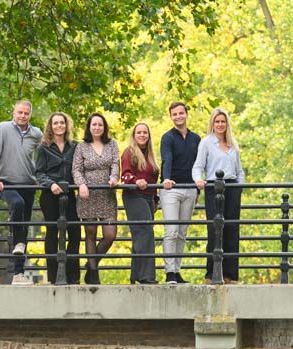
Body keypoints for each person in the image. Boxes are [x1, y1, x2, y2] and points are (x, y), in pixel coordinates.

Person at [0, 99, 43, 285]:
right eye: (20, 112)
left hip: (28, 184)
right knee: (16, 205)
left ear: (30, 115)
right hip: (5, 183)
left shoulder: (36, 134)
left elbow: (45, 155)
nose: (22, 116)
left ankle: (18, 274)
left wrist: (40, 178)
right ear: (14, 112)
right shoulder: (2, 128)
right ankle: (15, 232)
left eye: (26, 113)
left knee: (23, 227)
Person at [193, 107, 245, 283]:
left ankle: (231, 274)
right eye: (217, 121)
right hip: (214, 187)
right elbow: (198, 166)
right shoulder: (206, 143)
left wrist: (239, 186)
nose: (220, 124)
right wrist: (199, 180)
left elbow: (239, 170)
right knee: (215, 230)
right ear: (212, 124)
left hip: (232, 188)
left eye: (223, 121)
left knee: (232, 229)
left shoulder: (233, 144)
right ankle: (212, 274)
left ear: (227, 123)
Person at [72, 113, 120, 285]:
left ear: (104, 127)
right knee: (90, 233)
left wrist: (114, 177)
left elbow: (115, 163)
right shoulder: (82, 146)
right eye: (94, 125)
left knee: (110, 235)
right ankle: (93, 273)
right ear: (89, 127)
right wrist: (81, 184)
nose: (97, 127)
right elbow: (76, 169)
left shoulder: (112, 144)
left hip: (107, 194)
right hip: (87, 195)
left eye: (100, 125)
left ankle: (91, 263)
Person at [35, 112, 81, 284]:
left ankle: (72, 275)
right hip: (50, 196)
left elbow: (78, 169)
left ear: (66, 125)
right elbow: (39, 173)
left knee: (75, 232)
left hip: (70, 195)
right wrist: (50, 184)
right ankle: (54, 277)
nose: (59, 126)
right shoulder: (43, 148)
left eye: (62, 122)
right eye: (55, 123)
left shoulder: (74, 146)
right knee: (52, 234)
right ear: (50, 126)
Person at [159, 101, 201, 284]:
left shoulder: (196, 139)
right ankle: (169, 272)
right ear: (171, 117)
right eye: (174, 114)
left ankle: (177, 270)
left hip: (191, 189)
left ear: (186, 114)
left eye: (181, 113)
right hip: (171, 189)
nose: (178, 116)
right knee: (172, 231)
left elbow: (199, 164)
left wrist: (199, 185)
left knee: (182, 232)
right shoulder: (167, 138)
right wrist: (166, 179)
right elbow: (166, 159)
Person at [120, 123, 160, 284]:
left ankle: (135, 276)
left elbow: (153, 178)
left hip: (149, 198)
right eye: (139, 133)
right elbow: (125, 176)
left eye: (145, 133)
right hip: (134, 196)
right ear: (134, 135)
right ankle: (147, 277)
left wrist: (156, 200)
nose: (142, 135)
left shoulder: (150, 155)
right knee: (146, 233)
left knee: (140, 236)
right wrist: (137, 181)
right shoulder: (129, 153)